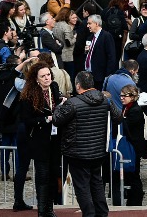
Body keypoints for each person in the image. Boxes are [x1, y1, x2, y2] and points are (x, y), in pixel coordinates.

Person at [52, 71, 121, 217]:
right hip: (98, 150)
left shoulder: (73, 103)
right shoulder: (104, 99)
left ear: (78, 85)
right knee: (96, 183)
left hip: (77, 151)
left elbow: (57, 120)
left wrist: (59, 106)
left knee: (82, 186)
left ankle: (89, 213)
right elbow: (118, 117)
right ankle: (102, 212)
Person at [19, 62, 62, 217]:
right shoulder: (29, 94)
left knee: (53, 175)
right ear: (36, 79)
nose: (46, 78)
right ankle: (42, 210)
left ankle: (49, 208)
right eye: (43, 76)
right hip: (39, 139)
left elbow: (57, 104)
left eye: (48, 75)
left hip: (55, 139)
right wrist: (45, 119)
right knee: (42, 175)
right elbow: (26, 119)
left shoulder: (54, 88)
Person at [83, 14, 115, 88]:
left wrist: (107, 75)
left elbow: (111, 56)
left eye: (89, 23)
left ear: (96, 24)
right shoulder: (90, 37)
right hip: (89, 75)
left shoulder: (106, 36)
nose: (87, 26)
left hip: (100, 77)